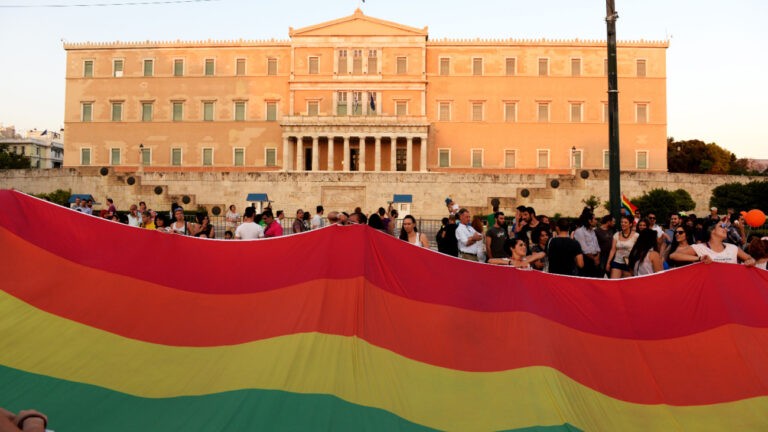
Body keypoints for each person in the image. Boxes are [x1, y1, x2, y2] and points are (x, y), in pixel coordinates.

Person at [670, 222, 756, 265]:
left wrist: (751, 261)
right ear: (712, 231)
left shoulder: (733, 248)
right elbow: (674, 255)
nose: (725, 229)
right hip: (709, 289)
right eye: (722, 226)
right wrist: (699, 259)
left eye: (726, 227)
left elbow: (750, 259)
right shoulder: (700, 248)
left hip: (730, 287)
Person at [573, 211, 601, 277]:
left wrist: (597, 257)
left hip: (595, 258)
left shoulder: (592, 231)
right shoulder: (579, 231)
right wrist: (594, 259)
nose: (596, 221)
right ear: (589, 221)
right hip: (586, 260)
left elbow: (597, 245)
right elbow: (584, 249)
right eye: (594, 219)